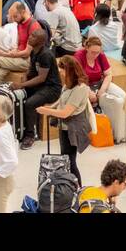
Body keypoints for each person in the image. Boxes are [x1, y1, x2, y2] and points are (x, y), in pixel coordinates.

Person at [35, 54, 93, 182]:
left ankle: (77, 188)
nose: (60, 72)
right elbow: (61, 101)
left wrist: (45, 110)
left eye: (62, 69)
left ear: (69, 70)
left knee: (70, 161)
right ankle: (69, 186)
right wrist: (50, 108)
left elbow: (66, 113)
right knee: (65, 158)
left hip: (73, 129)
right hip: (65, 127)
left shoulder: (80, 89)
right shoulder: (68, 84)